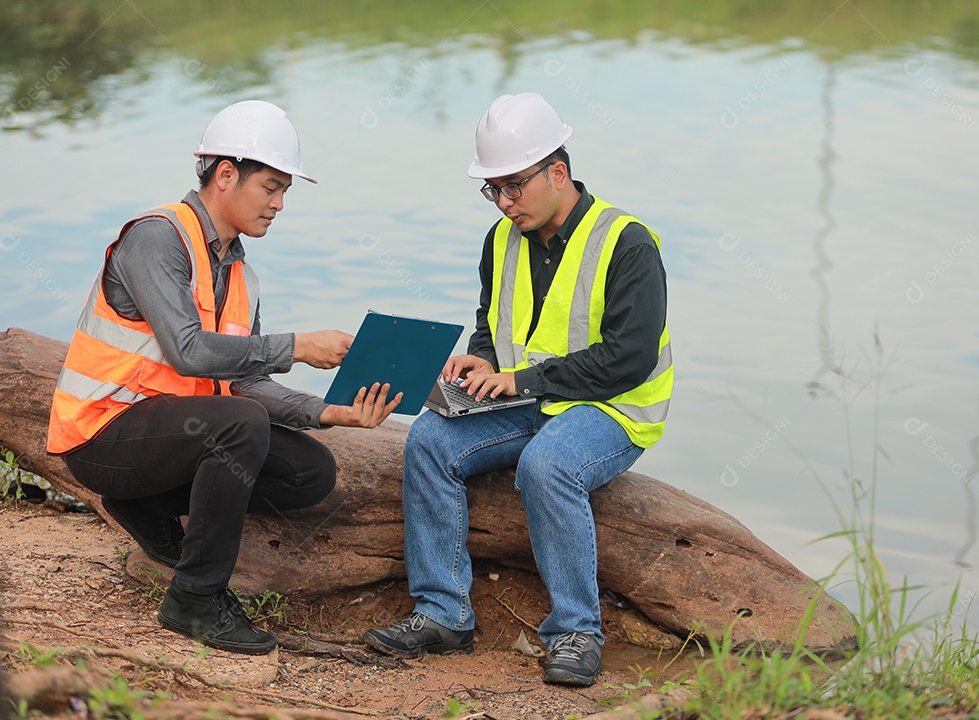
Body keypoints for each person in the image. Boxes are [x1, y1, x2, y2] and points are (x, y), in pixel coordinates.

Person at [46, 100, 401, 656]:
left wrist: (330, 413)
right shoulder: (157, 238)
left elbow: (245, 383)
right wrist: (298, 347)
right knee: (240, 426)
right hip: (100, 434)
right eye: (271, 187)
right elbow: (188, 353)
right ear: (226, 174)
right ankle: (195, 598)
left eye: (286, 191)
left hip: (168, 439)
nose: (280, 204)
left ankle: (150, 506)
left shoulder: (240, 271)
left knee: (310, 470)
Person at [363, 92, 672, 687]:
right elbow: (492, 324)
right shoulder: (501, 239)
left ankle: (577, 631)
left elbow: (629, 359)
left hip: (612, 409)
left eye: (513, 187)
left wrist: (519, 380)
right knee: (428, 438)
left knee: (547, 463)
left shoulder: (628, 243)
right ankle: (443, 614)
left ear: (558, 172)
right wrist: (476, 365)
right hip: (527, 398)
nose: (504, 204)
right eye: (493, 190)